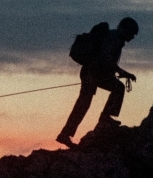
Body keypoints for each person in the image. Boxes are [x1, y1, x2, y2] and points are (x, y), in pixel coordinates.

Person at [57, 17, 136, 147]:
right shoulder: (114, 38)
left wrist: (115, 72)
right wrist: (122, 72)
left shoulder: (114, 38)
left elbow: (105, 59)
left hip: (91, 72)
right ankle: (105, 119)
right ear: (125, 29)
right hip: (92, 73)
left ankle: (65, 134)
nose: (132, 37)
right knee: (116, 89)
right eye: (132, 33)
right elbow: (105, 58)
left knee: (84, 103)